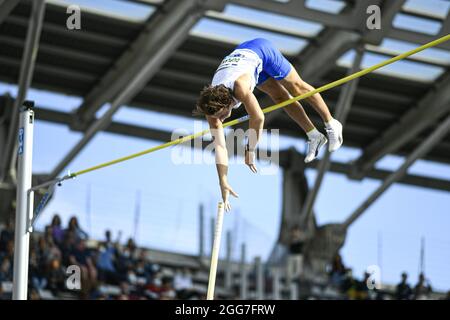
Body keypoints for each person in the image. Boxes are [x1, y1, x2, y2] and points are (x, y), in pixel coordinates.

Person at [194, 38, 343, 210]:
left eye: (221, 116)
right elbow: (220, 147)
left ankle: (331, 123)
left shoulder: (240, 87)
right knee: (280, 98)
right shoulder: (211, 109)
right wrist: (223, 181)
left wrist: (250, 149)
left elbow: (258, 118)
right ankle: (314, 135)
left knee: (296, 87)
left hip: (261, 51)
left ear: (228, 103)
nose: (220, 120)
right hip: (246, 61)